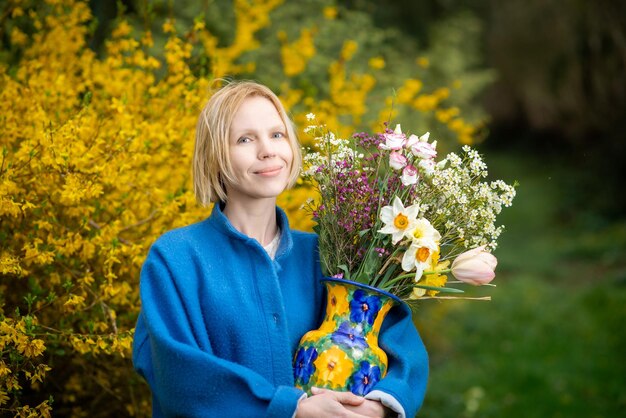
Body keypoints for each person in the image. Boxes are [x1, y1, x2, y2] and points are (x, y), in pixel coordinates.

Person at [132, 80, 429, 417]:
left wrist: (379, 406)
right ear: (214, 156)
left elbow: (399, 343)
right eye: (245, 139)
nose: (267, 150)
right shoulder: (176, 258)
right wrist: (291, 410)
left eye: (277, 135)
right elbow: (176, 372)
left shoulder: (329, 254)